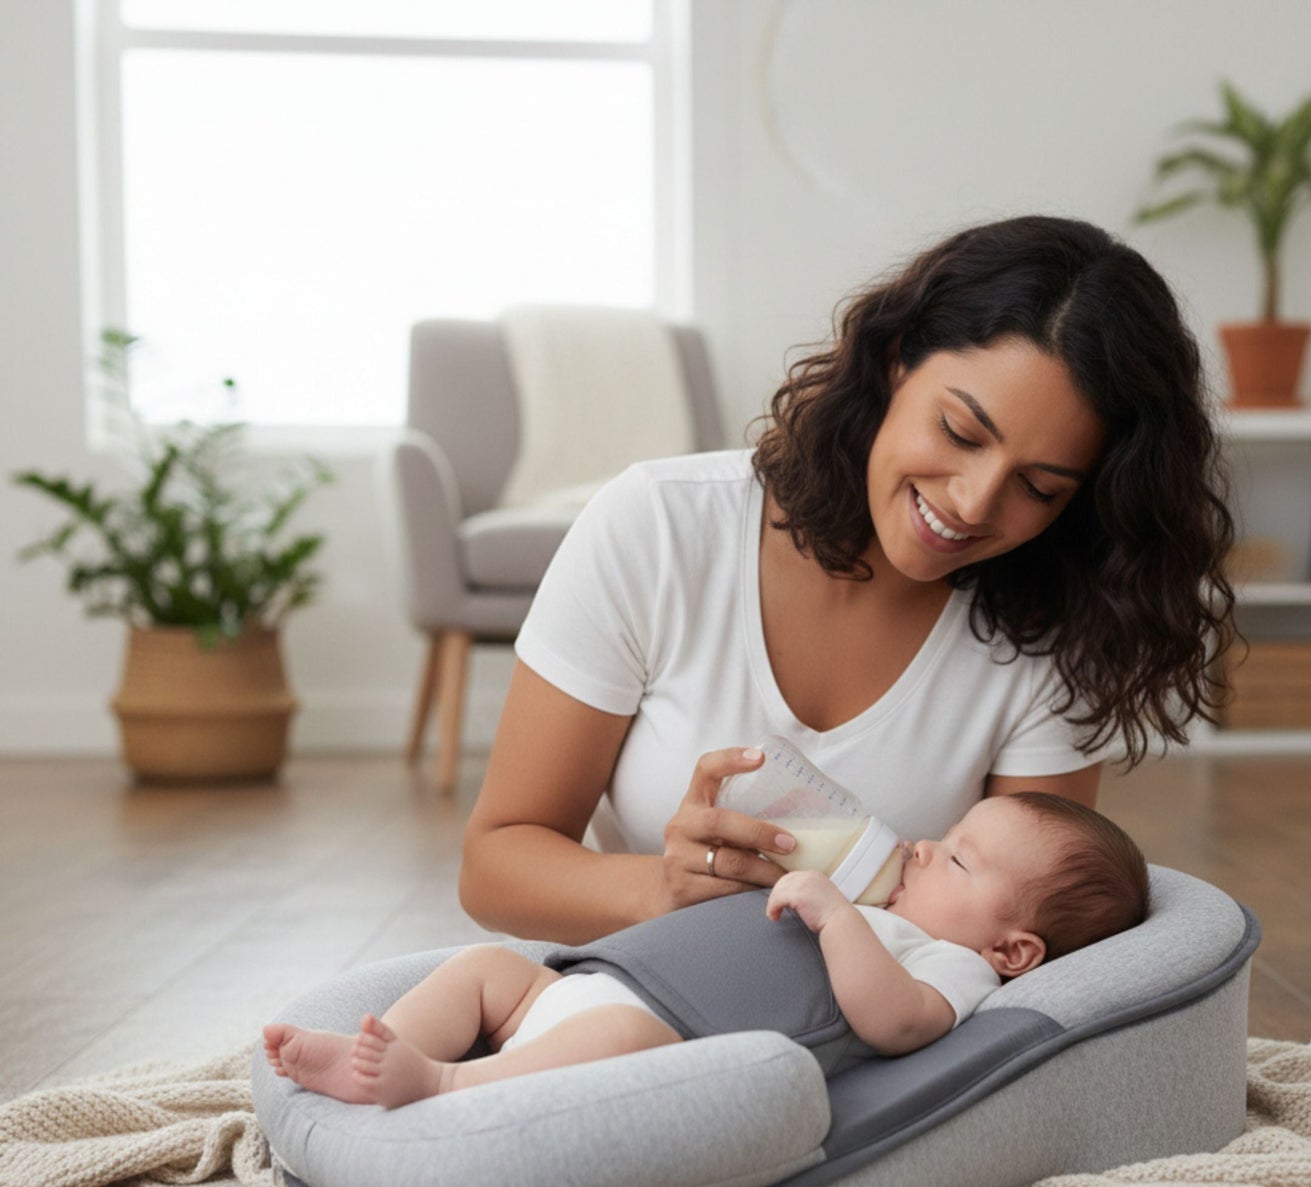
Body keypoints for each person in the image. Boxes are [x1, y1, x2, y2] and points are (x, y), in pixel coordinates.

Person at [456, 216, 1234, 948]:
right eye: (959, 431)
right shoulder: (659, 527)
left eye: (1038, 486)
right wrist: (659, 890)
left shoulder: (1052, 634)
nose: (972, 503)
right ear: (895, 361)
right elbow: (493, 866)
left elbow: (1027, 944)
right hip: (650, 994)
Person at [264, 793, 1149, 1108]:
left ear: (1014, 949)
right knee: (485, 967)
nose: (922, 846)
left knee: (617, 1037)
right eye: (943, 834)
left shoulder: (951, 961)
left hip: (658, 1033)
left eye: (955, 857)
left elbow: (897, 1023)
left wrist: (836, 917)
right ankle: (385, 1050)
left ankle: (439, 1084)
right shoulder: (886, 904)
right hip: (600, 977)